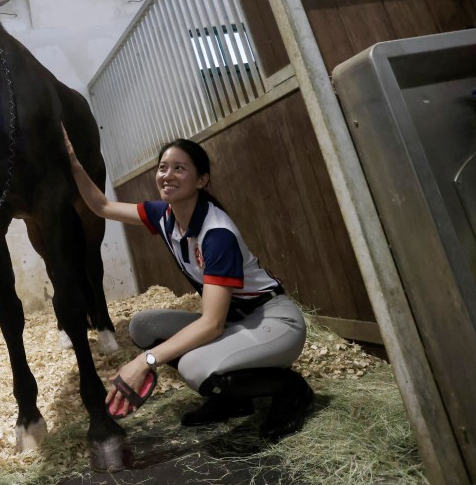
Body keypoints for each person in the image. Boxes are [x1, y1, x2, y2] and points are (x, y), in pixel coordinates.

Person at [63, 129, 314, 442]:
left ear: (201, 180)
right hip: (237, 323)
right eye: (163, 167)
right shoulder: (165, 215)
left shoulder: (217, 234)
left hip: (274, 323)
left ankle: (291, 389)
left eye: (179, 168)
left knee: (195, 369)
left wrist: (145, 362)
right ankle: (234, 399)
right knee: (143, 327)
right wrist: (74, 164)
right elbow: (101, 207)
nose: (168, 175)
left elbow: (211, 324)